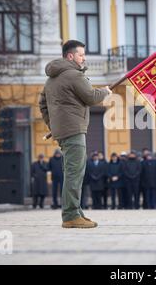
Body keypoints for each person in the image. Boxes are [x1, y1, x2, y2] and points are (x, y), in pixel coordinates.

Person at [39, 40, 111, 228]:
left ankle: (76, 212)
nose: (84, 58)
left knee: (72, 171)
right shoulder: (73, 74)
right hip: (74, 129)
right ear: (70, 56)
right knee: (74, 173)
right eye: (81, 55)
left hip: (63, 131)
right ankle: (71, 215)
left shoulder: (51, 79)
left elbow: (42, 104)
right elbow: (91, 97)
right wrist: (105, 92)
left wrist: (53, 125)